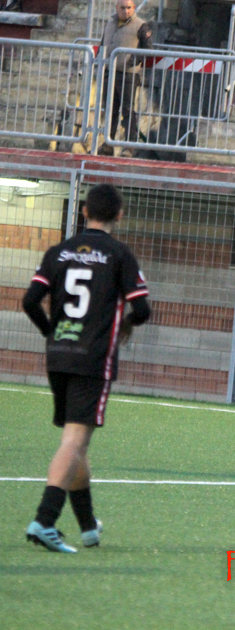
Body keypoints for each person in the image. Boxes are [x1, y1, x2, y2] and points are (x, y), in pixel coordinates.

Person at [22, 184, 151, 553]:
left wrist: (51, 332)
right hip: (92, 357)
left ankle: (88, 526)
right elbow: (142, 310)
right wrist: (127, 323)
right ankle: (44, 521)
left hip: (59, 354)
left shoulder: (58, 252)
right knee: (74, 441)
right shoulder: (119, 255)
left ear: (83, 211)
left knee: (76, 441)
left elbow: (30, 301)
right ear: (119, 215)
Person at [97, 0, 153, 157]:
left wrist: (132, 62)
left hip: (128, 75)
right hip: (110, 72)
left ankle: (129, 146)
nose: (126, 11)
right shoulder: (110, 24)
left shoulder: (141, 25)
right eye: (122, 8)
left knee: (128, 110)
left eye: (129, 7)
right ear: (116, 8)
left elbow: (148, 49)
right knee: (110, 109)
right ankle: (108, 143)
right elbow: (102, 45)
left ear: (134, 8)